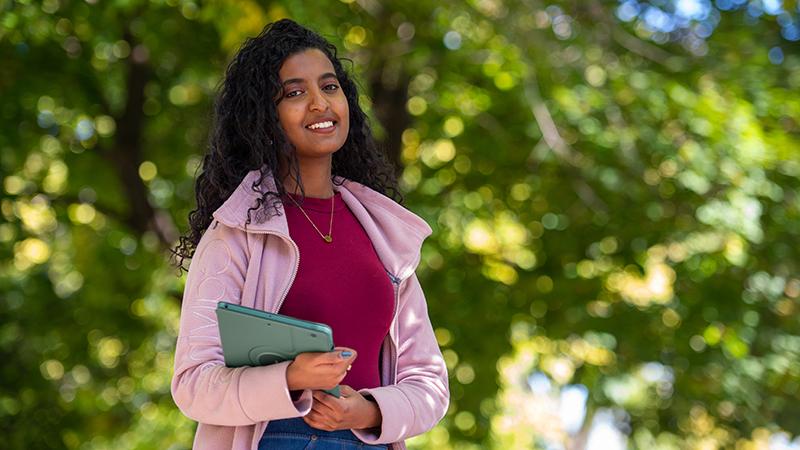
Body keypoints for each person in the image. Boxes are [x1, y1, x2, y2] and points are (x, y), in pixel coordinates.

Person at [169, 18, 449, 450]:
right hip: (275, 438)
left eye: (330, 87)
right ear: (264, 115)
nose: (320, 103)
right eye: (295, 93)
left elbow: (429, 381)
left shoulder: (384, 234)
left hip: (366, 440)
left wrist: (371, 410)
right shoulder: (237, 233)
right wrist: (290, 377)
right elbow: (193, 384)